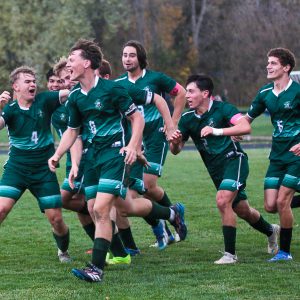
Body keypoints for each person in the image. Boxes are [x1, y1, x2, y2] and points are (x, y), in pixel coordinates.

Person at [48, 39, 187, 282]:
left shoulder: (113, 89)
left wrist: (134, 146)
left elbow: (137, 119)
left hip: (115, 154)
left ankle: (97, 268)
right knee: (103, 208)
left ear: (87, 63)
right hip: (93, 158)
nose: (68, 65)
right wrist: (58, 155)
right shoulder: (76, 98)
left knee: (102, 209)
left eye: (72, 60)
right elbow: (72, 131)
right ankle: (171, 214)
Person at [169, 74, 279, 264]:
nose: (187, 96)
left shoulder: (223, 109)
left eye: (192, 91)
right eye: (187, 92)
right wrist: (175, 142)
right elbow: (176, 151)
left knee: (222, 201)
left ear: (205, 93)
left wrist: (217, 131)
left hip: (234, 161)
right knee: (243, 210)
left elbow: (245, 126)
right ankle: (271, 230)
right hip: (216, 170)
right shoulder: (187, 119)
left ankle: (230, 255)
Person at [117, 40, 186, 247]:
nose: (127, 59)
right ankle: (167, 223)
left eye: (131, 55)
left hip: (156, 135)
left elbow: (180, 93)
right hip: (134, 139)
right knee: (133, 191)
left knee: (147, 185)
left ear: (140, 58)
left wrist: (172, 123)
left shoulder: (155, 78)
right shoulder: (120, 83)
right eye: (124, 55)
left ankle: (171, 218)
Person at [0, 66, 71, 263]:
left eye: (34, 81)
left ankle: (63, 250)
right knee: (1, 209)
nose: (33, 84)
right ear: (16, 86)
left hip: (43, 170)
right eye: (27, 81)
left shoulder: (46, 100)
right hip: (17, 169)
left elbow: (71, 92)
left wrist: (83, 82)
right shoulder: (10, 110)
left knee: (56, 219)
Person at [245, 48, 300, 261]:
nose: (268, 66)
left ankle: (284, 252)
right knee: (270, 205)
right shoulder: (265, 93)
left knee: (283, 202)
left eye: (274, 63)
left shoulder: (297, 92)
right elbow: (246, 118)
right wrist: (232, 130)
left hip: (296, 154)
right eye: (268, 62)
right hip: (276, 156)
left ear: (286, 68)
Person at [50, 59, 96, 251]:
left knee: (101, 206)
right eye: (63, 79)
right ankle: (103, 242)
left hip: (93, 156)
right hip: (74, 158)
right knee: (77, 204)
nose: (67, 81)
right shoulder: (61, 106)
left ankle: (114, 246)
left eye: (69, 77)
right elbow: (72, 136)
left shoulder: (86, 96)